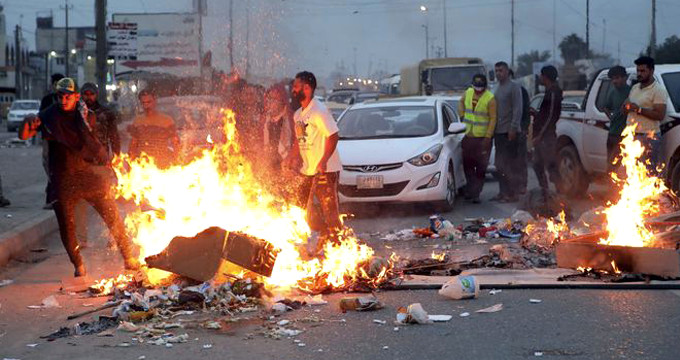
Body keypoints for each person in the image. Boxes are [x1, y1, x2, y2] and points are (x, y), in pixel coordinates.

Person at [19, 78, 139, 277]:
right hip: (63, 177)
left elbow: (90, 135)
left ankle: (128, 257)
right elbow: (24, 135)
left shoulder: (85, 115)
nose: (64, 100)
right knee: (67, 226)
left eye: (68, 96)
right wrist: (28, 121)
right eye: (60, 96)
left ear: (76, 96)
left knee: (112, 216)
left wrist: (109, 159)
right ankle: (78, 265)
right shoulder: (48, 116)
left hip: (88, 173)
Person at [285, 71, 343, 253]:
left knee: (330, 212)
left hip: (326, 171)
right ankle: (324, 239)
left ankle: (338, 249)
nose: (292, 90)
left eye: (295, 87)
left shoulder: (319, 111)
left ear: (307, 88)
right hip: (308, 171)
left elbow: (333, 136)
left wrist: (324, 160)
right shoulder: (298, 115)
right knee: (307, 212)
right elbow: (299, 139)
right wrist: (291, 156)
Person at [623, 56, 668, 172]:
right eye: (638, 71)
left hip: (648, 137)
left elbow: (660, 115)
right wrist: (625, 107)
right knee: (633, 172)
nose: (639, 74)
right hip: (632, 136)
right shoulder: (635, 88)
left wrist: (639, 110)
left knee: (648, 173)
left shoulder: (658, 90)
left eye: (643, 71)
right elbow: (626, 109)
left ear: (651, 71)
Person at [458, 74, 497, 203]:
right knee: (467, 166)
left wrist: (488, 137)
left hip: (482, 139)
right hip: (468, 136)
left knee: (481, 168)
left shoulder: (490, 98)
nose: (477, 90)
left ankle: (476, 194)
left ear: (485, 86)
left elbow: (493, 119)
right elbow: (461, 103)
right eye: (476, 87)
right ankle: (471, 189)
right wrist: (462, 115)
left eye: (480, 87)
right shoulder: (468, 93)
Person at [492, 62, 523, 203]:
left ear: (507, 71)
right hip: (498, 132)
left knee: (510, 164)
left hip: (509, 132)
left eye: (501, 70)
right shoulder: (495, 88)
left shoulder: (514, 87)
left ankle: (513, 194)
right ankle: (502, 192)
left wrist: (513, 128)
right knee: (499, 165)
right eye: (496, 71)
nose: (498, 73)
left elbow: (518, 108)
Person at [531, 65, 563, 199]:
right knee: (537, 164)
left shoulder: (554, 92)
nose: (540, 77)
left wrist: (539, 136)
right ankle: (545, 192)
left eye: (541, 75)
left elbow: (550, 117)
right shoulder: (550, 91)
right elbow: (546, 114)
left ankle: (559, 194)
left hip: (546, 137)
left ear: (545, 77)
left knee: (551, 165)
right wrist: (536, 114)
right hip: (543, 135)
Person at [127, 89, 180, 168]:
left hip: (162, 163)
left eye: (149, 102)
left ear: (155, 101)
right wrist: (131, 160)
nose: (146, 106)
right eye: (143, 103)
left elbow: (175, 143)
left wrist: (177, 159)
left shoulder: (167, 121)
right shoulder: (137, 121)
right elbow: (133, 144)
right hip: (143, 164)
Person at [40, 73, 65, 209]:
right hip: (48, 138)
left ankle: (57, 196)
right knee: (48, 164)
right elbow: (41, 118)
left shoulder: (67, 100)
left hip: (63, 140)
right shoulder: (47, 100)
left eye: (59, 84)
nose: (56, 87)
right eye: (54, 84)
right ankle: (51, 195)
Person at [81, 83, 121, 158]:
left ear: (96, 95)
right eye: (86, 94)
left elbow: (114, 136)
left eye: (92, 94)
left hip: (101, 156)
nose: (89, 97)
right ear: (81, 95)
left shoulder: (106, 113)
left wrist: (116, 155)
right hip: (81, 158)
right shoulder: (77, 113)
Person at [603, 66, 631, 172]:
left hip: (626, 135)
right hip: (613, 134)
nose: (615, 81)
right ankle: (611, 186)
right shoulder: (612, 92)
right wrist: (611, 117)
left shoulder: (631, 91)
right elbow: (606, 107)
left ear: (625, 77)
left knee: (625, 165)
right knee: (611, 164)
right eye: (613, 79)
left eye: (618, 78)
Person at [262, 84, 294, 170]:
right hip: (268, 163)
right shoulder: (265, 119)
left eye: (274, 99)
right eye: (269, 98)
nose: (270, 102)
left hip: (287, 164)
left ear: (282, 101)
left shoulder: (292, 119)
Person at [509, 69, 531, 195]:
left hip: (519, 131)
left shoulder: (521, 91)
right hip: (506, 132)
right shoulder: (500, 91)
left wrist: (524, 128)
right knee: (508, 161)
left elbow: (526, 112)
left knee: (520, 160)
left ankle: (522, 185)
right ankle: (511, 187)